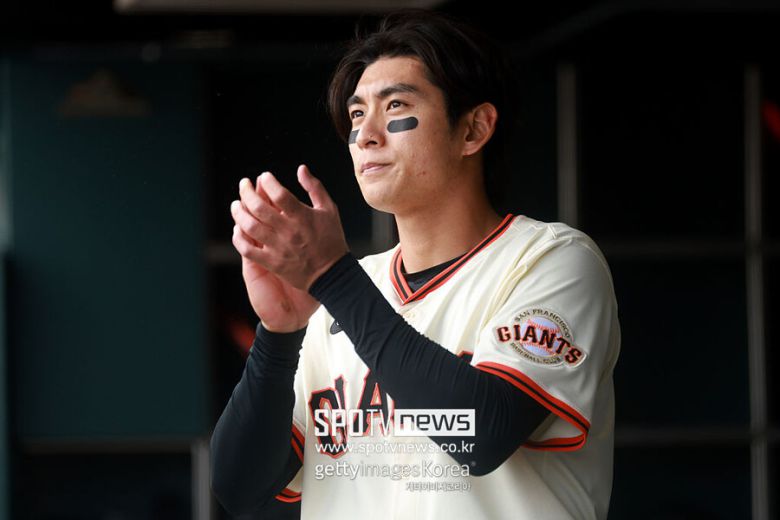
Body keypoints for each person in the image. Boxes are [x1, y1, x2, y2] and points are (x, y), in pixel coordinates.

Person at [210, 8, 620, 520]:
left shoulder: (550, 260)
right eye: (356, 115)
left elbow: (481, 434)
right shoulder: (339, 297)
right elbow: (239, 487)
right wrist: (278, 334)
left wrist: (332, 278)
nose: (365, 135)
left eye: (395, 105)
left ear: (473, 130)